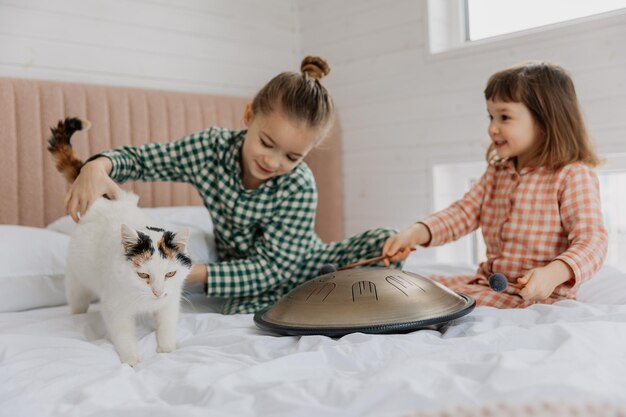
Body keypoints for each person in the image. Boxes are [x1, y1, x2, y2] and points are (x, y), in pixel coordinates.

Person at [64, 56, 396, 314]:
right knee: (246, 305)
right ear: (249, 116)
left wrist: (186, 272)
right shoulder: (211, 149)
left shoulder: (299, 187)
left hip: (296, 264)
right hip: (246, 278)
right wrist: (99, 164)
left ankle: (339, 286)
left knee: (384, 243)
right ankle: (332, 293)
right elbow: (145, 159)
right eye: (266, 143)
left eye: (292, 156)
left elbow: (273, 267)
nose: (274, 162)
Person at [382, 62, 608, 308]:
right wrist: (414, 234)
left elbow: (592, 241)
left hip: (536, 297)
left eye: (504, 117)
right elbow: (462, 213)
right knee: (407, 286)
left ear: (545, 121)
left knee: (426, 303)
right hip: (488, 284)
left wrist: (553, 274)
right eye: (491, 116)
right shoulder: (497, 173)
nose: (492, 128)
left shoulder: (572, 175)